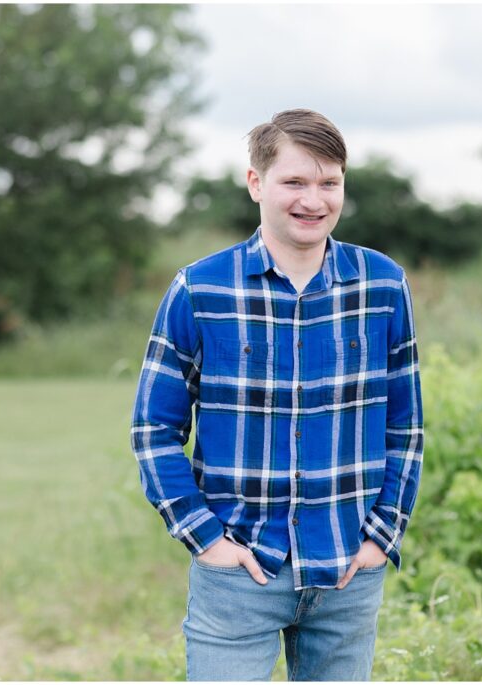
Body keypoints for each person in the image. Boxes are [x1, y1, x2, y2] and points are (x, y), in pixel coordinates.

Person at [130, 108, 423, 681]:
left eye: (329, 182)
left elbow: (405, 425)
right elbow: (154, 431)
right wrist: (206, 539)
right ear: (256, 183)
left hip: (346, 570)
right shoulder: (200, 289)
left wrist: (380, 536)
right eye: (295, 181)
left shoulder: (383, 285)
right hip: (239, 572)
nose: (313, 199)